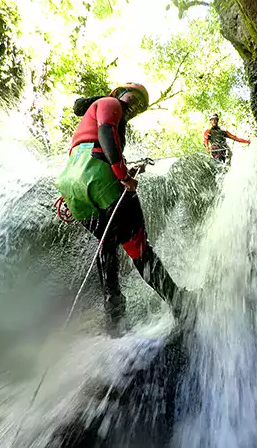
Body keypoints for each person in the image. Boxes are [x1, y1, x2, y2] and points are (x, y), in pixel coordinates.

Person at [55, 83, 184, 334]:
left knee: (108, 243)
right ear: (118, 93)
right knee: (138, 247)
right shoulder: (111, 103)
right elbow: (105, 134)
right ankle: (179, 302)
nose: (135, 105)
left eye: (141, 105)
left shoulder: (91, 116)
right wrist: (123, 174)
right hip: (99, 176)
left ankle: (114, 314)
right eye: (133, 97)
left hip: (74, 188)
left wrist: (122, 168)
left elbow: (94, 143)